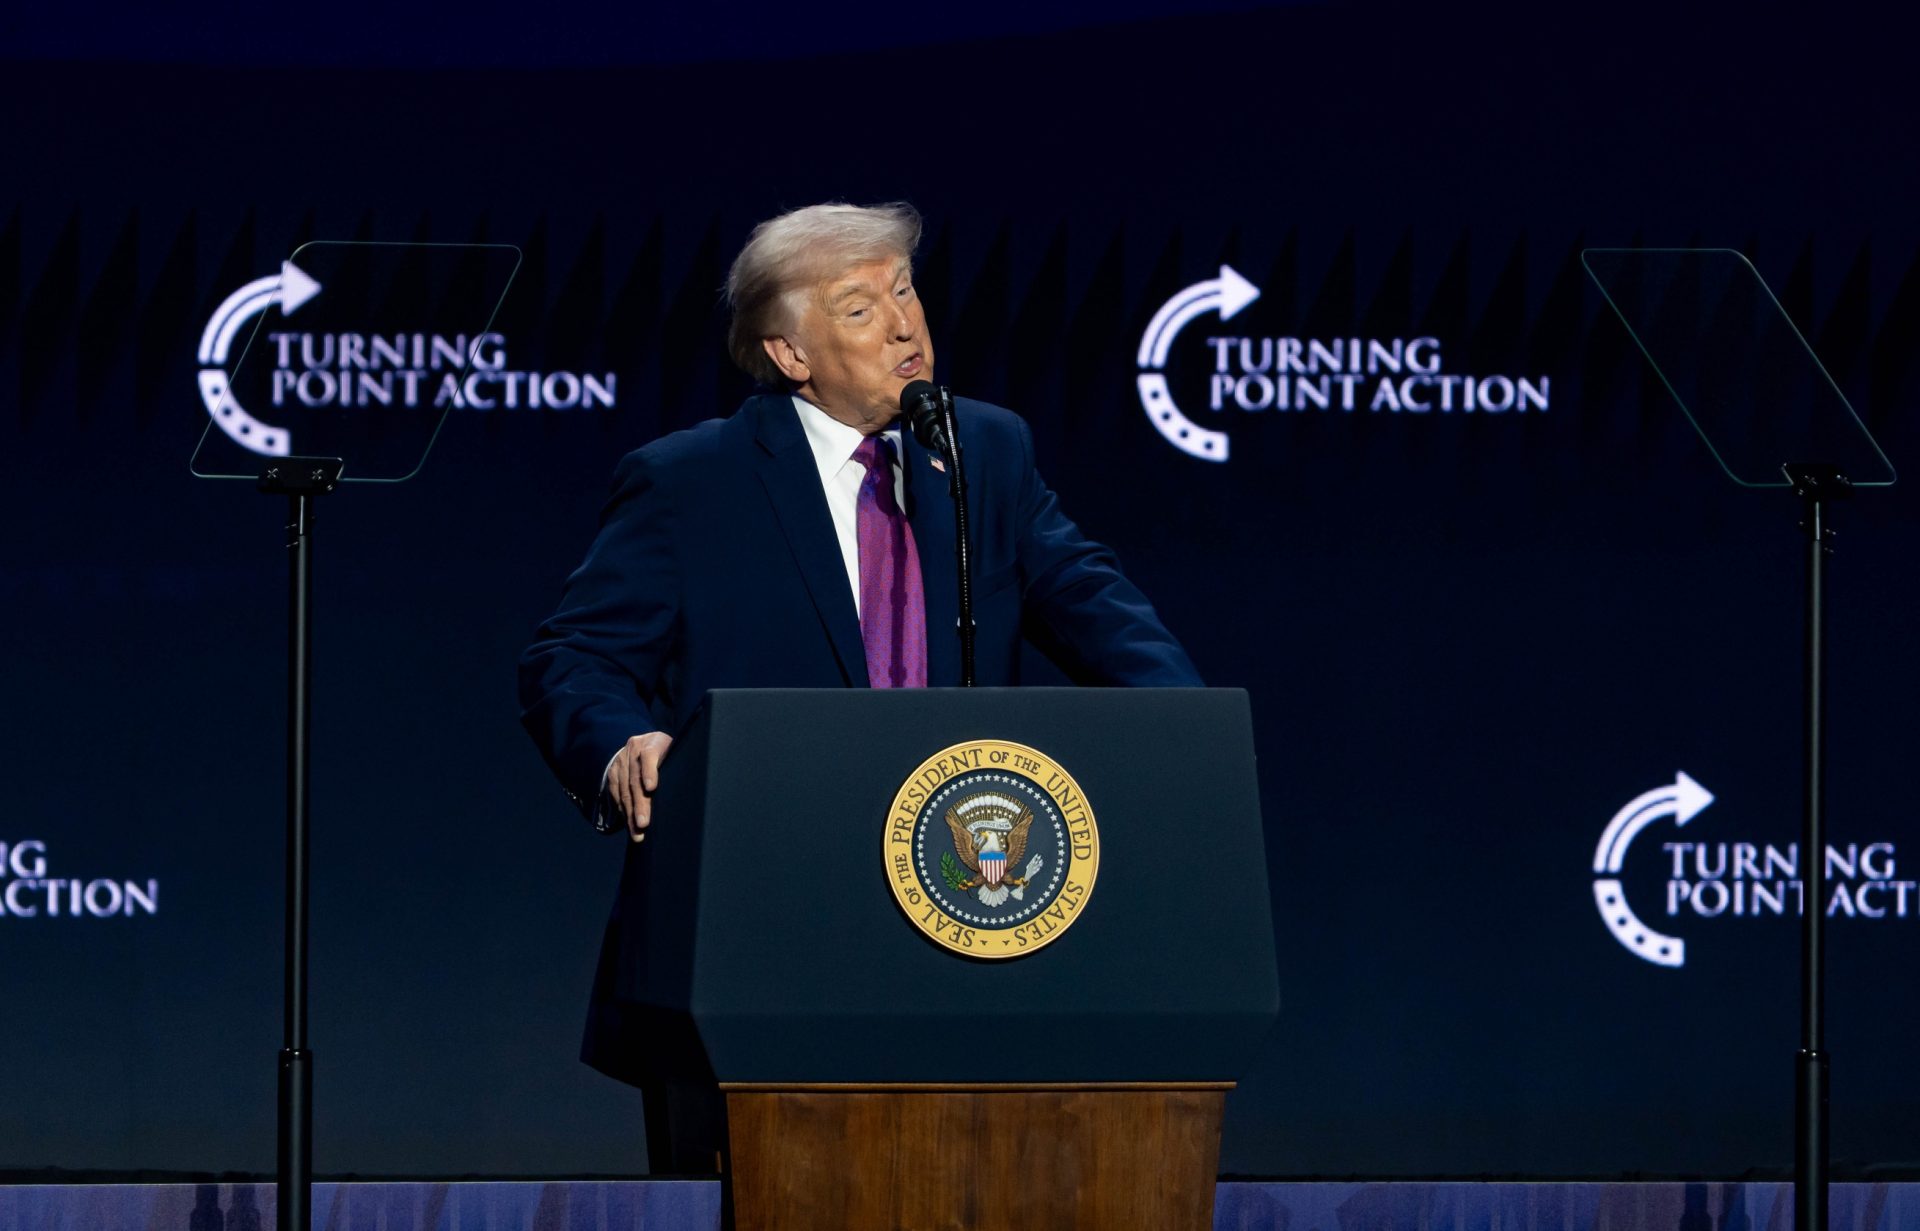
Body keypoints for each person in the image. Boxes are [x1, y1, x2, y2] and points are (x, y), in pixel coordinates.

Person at [516, 200, 1201, 1169]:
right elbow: (573, 656)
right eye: (858, 308)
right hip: (754, 930)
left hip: (968, 920)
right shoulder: (690, 482)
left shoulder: (984, 452)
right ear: (791, 353)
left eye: (906, 290)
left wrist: (1189, 732)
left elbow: (1090, 601)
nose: (904, 324)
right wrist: (621, 744)